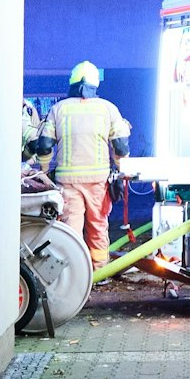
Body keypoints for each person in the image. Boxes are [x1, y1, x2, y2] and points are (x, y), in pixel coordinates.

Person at [31, 61, 132, 269]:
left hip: (67, 182)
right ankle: (99, 270)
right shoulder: (108, 109)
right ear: (96, 84)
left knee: (70, 230)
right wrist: (121, 168)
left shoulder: (58, 110)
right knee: (98, 226)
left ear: (73, 82)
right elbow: (121, 146)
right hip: (98, 181)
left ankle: (73, 275)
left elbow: (44, 145)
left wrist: (43, 171)